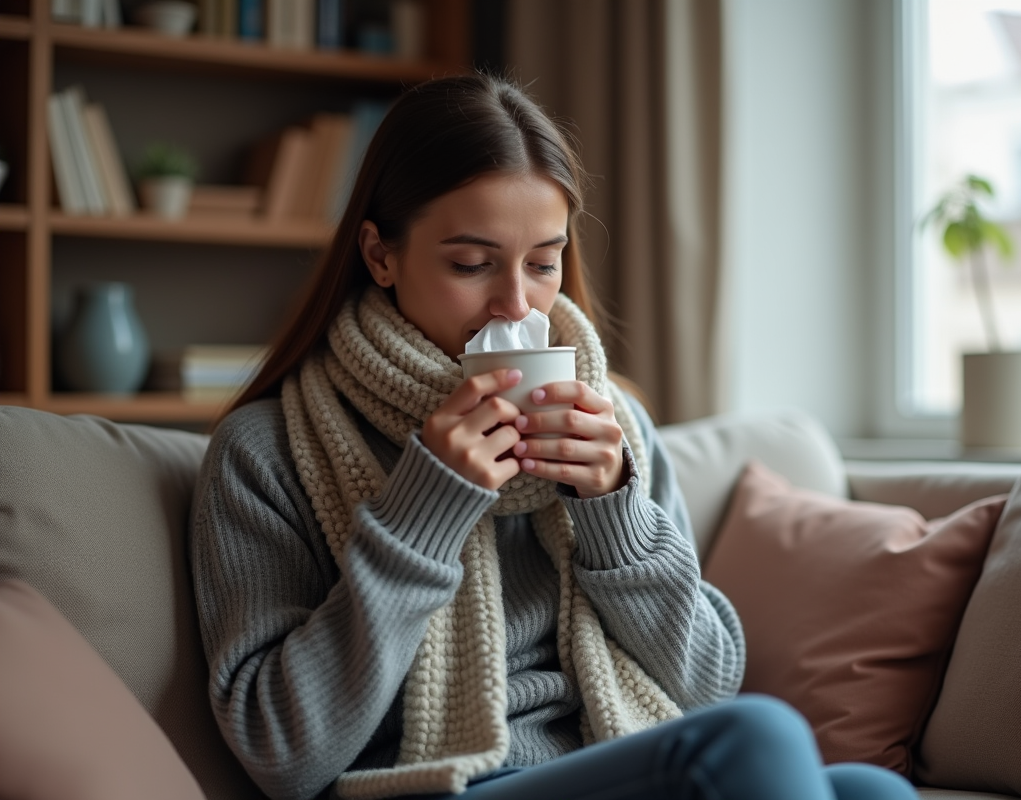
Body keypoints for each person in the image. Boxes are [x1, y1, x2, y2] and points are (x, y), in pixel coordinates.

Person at [189, 73, 920, 800]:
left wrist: (615, 518)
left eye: (543, 264)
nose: (516, 304)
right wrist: (422, 513)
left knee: (873, 792)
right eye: (471, 264)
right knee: (757, 739)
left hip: (615, 763)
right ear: (380, 255)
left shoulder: (614, 427)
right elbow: (282, 753)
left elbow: (705, 687)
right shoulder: (269, 450)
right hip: (435, 783)